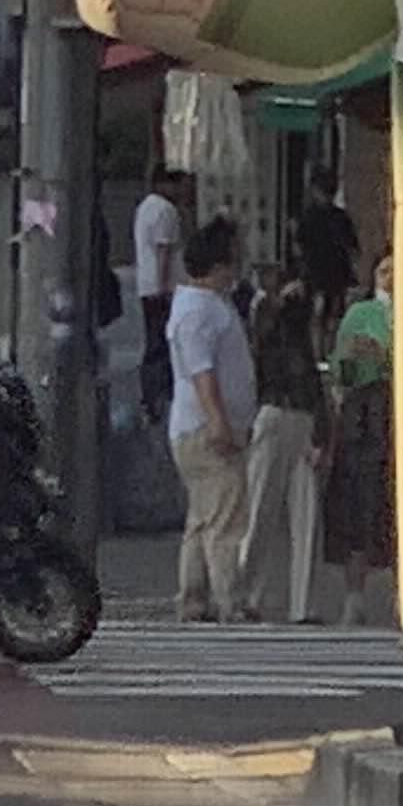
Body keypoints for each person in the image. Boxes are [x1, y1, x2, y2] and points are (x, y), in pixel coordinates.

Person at [163, 217, 256, 623]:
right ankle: (227, 599)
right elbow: (203, 373)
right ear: (218, 266)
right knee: (224, 519)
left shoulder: (204, 305)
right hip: (207, 427)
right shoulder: (198, 310)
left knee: (203, 518)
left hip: (196, 425)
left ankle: (194, 597)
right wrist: (219, 421)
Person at [238, 269, 327, 625]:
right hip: (289, 414)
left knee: (268, 509)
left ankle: (252, 595)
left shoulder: (278, 334)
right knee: (284, 512)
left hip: (282, 415)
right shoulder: (280, 331)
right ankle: (293, 603)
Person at [323, 250, 396, 604]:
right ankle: (355, 595)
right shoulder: (361, 313)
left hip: (400, 409)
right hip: (365, 416)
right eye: (384, 270)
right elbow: (343, 371)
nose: (390, 278)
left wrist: (385, 357)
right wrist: (354, 357)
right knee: (359, 503)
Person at [132, 164, 186, 418]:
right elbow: (164, 251)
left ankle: (149, 396)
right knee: (162, 343)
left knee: (153, 341)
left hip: (146, 284)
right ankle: (159, 396)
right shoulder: (166, 210)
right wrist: (165, 287)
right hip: (162, 286)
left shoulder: (144, 207)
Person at [294, 170, 359, 339]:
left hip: (321, 272)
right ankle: (327, 347)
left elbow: (299, 247)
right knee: (329, 314)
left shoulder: (310, 217)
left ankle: (322, 349)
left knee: (322, 314)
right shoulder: (339, 217)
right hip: (331, 272)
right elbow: (352, 247)